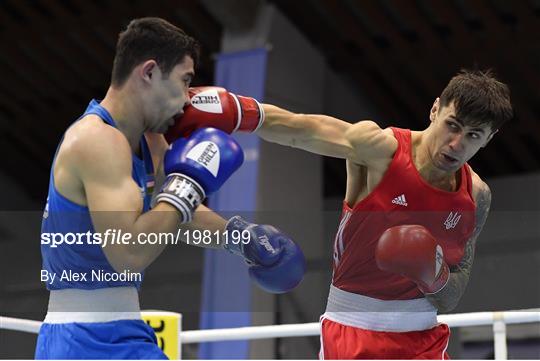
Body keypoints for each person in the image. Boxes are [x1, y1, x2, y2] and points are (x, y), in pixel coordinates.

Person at [167, 69, 513, 359]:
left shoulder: (476, 196)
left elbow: (453, 294)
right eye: (453, 125)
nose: (457, 144)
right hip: (352, 334)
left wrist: (434, 274)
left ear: (489, 139)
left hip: (423, 338)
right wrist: (239, 112)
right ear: (435, 110)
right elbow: (302, 129)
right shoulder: (381, 150)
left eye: (473, 136)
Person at [36, 17, 305, 360]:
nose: (187, 99)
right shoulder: (97, 140)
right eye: (184, 80)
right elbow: (130, 253)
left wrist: (241, 238)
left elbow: (176, 213)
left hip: (121, 328)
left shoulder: (150, 142)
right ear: (148, 72)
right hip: (83, 339)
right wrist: (188, 185)